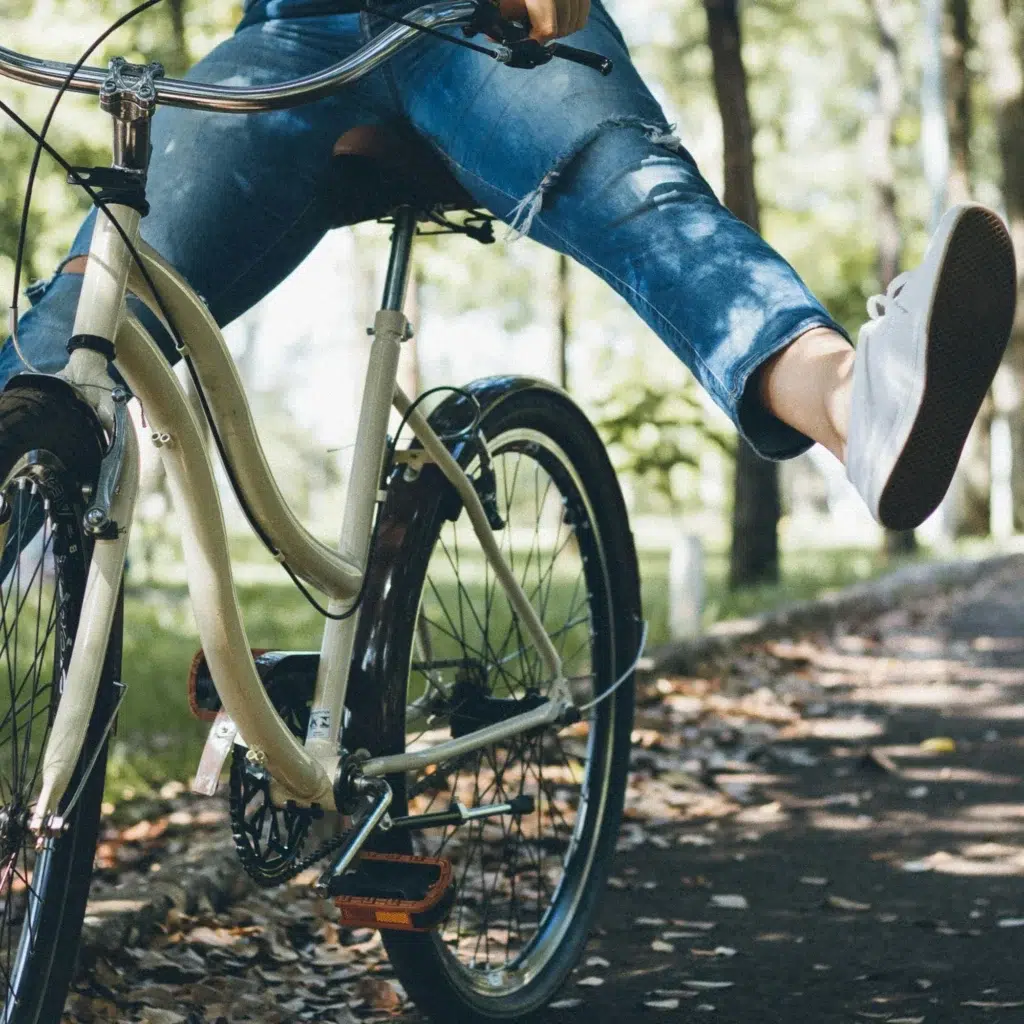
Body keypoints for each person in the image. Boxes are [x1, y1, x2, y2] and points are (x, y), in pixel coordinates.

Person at [2, 0, 1016, 530]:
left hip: (481, 17)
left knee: (636, 194)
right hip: (290, 32)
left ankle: (855, 405)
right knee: (79, 324)